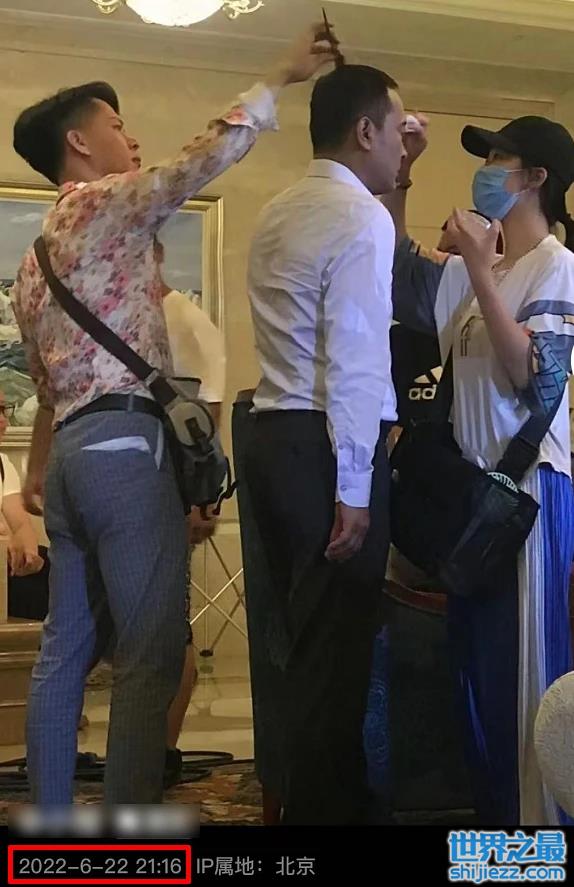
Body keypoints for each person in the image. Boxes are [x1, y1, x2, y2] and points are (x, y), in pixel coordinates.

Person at [11, 22, 338, 806]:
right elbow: (199, 159)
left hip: (72, 462)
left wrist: (38, 470)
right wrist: (280, 74)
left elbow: (46, 386)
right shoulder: (102, 203)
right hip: (126, 449)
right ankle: (126, 823)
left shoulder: (30, 262)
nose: (130, 139)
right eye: (116, 125)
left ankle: (49, 819)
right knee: (150, 652)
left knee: (64, 651)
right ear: (78, 143)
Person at [387, 114, 574, 824]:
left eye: (499, 157)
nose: (486, 170)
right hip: (476, 503)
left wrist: (477, 268)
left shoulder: (556, 266)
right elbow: (399, 278)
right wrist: (401, 172)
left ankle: (541, 839)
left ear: (536, 178)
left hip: (528, 497)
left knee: (529, 681)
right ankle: (502, 833)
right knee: (481, 678)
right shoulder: (481, 273)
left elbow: (539, 377)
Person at [245, 64, 405, 825]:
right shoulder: (360, 216)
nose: (404, 145)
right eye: (398, 129)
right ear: (364, 130)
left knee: (303, 644)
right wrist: (355, 487)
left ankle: (312, 805)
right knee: (337, 658)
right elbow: (356, 360)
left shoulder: (278, 209)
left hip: (273, 436)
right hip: (325, 445)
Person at [154, 235, 226, 785]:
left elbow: (209, 417)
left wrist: (203, 499)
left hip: (175, 492)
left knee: (171, 624)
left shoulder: (188, 320)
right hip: (134, 489)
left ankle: (163, 749)